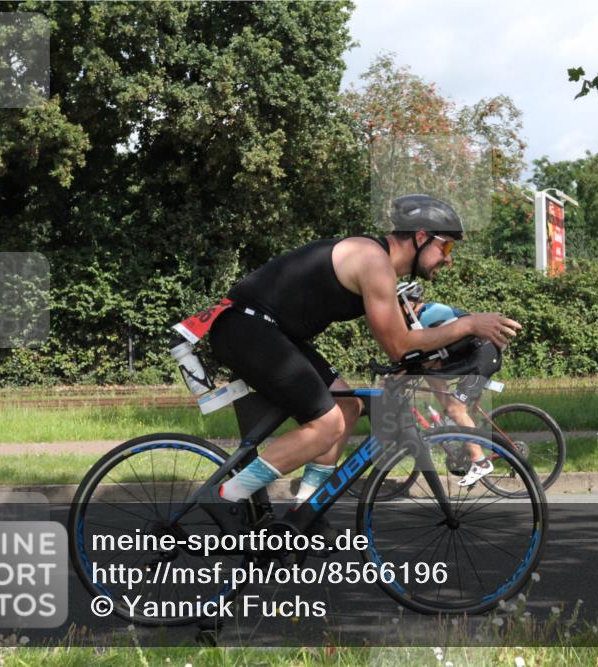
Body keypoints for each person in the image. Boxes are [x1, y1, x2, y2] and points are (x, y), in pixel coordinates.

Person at [203, 194, 522, 534]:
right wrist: (469, 324)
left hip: (272, 330)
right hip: (245, 326)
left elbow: (403, 344)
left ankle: (304, 513)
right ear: (420, 237)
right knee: (326, 423)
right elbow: (399, 346)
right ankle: (225, 496)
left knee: (348, 407)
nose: (448, 260)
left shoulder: (380, 266)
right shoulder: (373, 261)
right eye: (446, 249)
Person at [397, 284, 501, 486]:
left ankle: (480, 462)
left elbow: (421, 353)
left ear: (409, 304)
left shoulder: (431, 316)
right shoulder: (421, 319)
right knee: (429, 374)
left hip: (483, 356)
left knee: (455, 408)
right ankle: (459, 437)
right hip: (470, 358)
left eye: (396, 306)